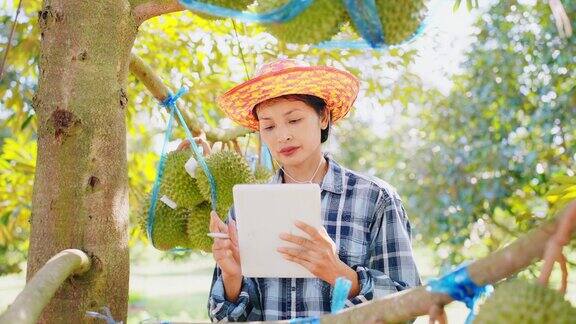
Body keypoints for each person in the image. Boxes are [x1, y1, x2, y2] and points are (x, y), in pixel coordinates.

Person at [187, 58, 420, 321]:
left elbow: (410, 306)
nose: (282, 135)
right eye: (269, 126)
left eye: (294, 120)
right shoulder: (244, 209)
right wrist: (232, 277)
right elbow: (224, 319)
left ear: (323, 117)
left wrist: (339, 273)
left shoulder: (375, 198)